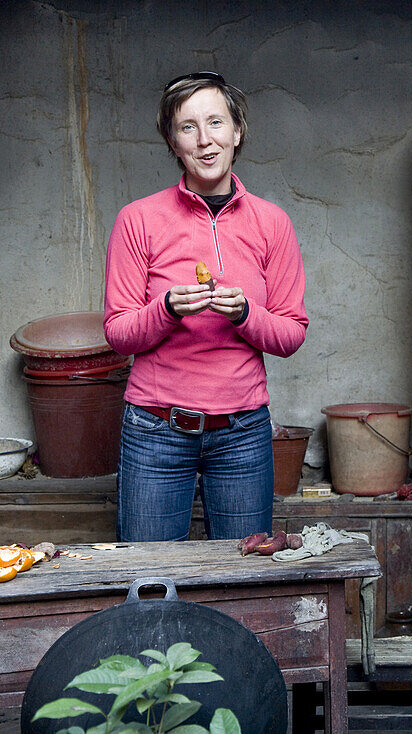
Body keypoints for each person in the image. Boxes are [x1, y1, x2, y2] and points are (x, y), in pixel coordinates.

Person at [103, 71, 308, 542]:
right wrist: (167, 308)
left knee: (241, 581)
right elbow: (118, 331)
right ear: (172, 142)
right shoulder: (138, 219)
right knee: (150, 580)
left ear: (237, 132)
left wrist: (245, 314)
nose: (205, 140)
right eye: (187, 127)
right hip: (155, 427)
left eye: (216, 123)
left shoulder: (272, 223)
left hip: (243, 431)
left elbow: (292, 334)